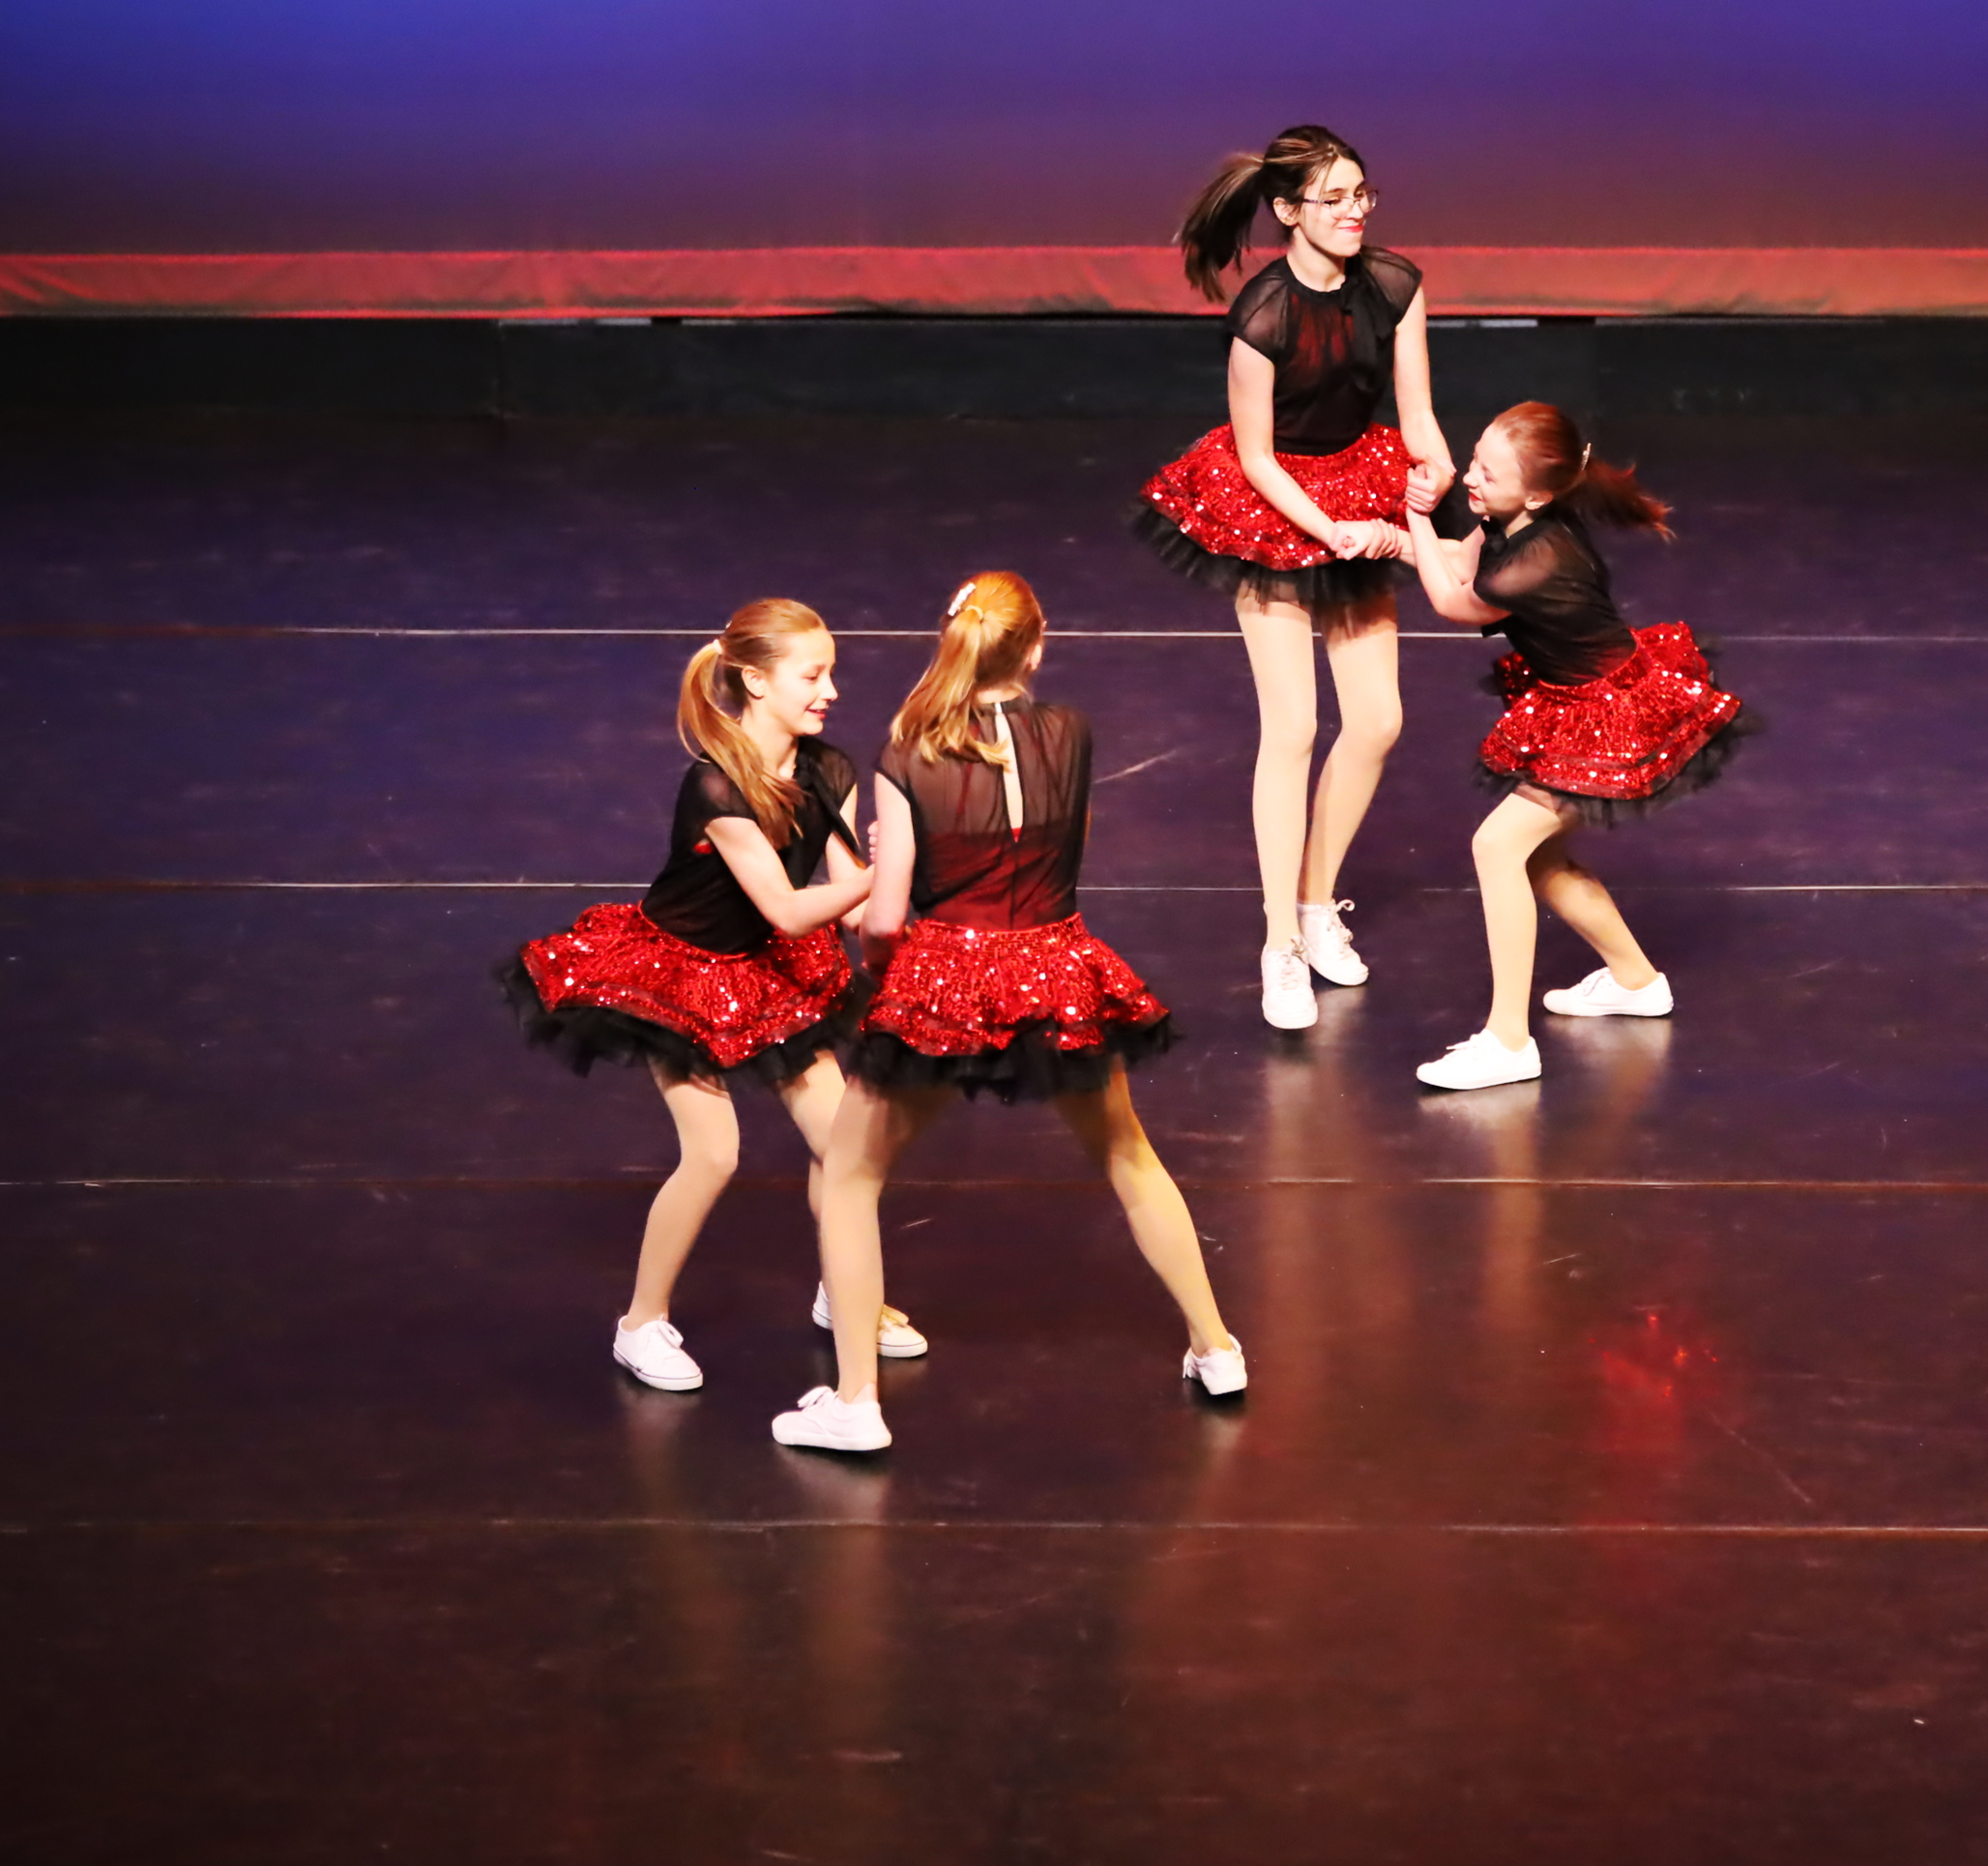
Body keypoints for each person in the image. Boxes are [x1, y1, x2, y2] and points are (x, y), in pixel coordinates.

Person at [774, 572, 1245, 1453]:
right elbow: (1064, 843)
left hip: (948, 978)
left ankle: (855, 1400)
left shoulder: (909, 751)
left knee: (850, 1175)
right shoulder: (1071, 731)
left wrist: (888, 969)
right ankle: (1216, 1346)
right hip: (1058, 967)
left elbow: (883, 918)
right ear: (1034, 647)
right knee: (1129, 1156)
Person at [496, 598, 926, 1391]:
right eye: (812, 675)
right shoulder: (715, 788)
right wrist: (891, 866)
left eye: (831, 673)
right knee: (713, 1152)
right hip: (680, 977)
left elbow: (848, 905)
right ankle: (640, 1323)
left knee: (846, 1147)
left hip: (770, 969)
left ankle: (846, 1291)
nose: (831, 691)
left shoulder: (829, 769)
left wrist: (900, 887)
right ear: (757, 682)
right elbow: (787, 906)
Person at [1132, 124, 1453, 1030]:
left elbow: (1417, 415)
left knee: (1378, 719)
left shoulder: (1395, 286)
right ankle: (1278, 943)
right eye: (1334, 198)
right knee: (1294, 726)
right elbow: (1258, 459)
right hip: (1276, 507)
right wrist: (1332, 531)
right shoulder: (1262, 317)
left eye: (1362, 194)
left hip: (1359, 479)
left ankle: (1316, 905)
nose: (1354, 211)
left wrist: (1434, 473)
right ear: (1287, 211)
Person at [1400, 404, 1749, 1092]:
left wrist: (1413, 516)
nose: (1470, 477)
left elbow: (1452, 599)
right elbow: (1464, 555)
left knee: (1496, 846)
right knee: (1539, 858)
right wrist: (1399, 533)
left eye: (1486, 473)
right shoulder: (1518, 521)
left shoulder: (1535, 562)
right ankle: (1636, 980)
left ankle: (1508, 1041)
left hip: (1607, 715)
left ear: (1535, 495)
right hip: (1582, 698)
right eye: (1474, 460)